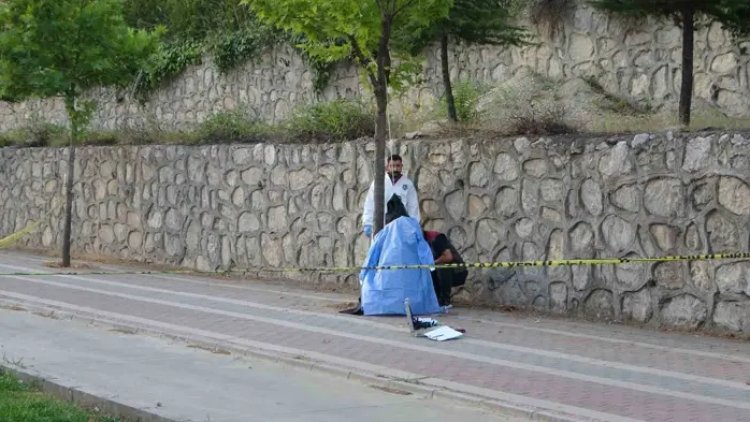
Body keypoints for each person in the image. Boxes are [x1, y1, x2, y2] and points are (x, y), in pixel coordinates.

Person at [341, 195, 440, 316]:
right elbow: (423, 248)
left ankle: (383, 306)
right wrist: (429, 264)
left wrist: (364, 272)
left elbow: (373, 253)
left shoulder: (386, 230)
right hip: (412, 272)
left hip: (388, 272)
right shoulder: (413, 225)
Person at [362, 154, 419, 238]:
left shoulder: (407, 184)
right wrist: (368, 222)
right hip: (381, 226)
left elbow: (413, 207)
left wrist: (414, 226)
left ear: (402, 166)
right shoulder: (378, 183)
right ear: (387, 167)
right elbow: (370, 203)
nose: (395, 169)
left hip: (401, 228)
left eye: (398, 166)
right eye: (392, 166)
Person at [423, 230, 468, 309]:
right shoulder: (421, 243)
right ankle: (436, 299)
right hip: (439, 271)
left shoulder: (437, 238)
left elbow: (448, 257)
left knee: (441, 266)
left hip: (458, 271)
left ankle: (445, 300)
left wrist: (432, 263)